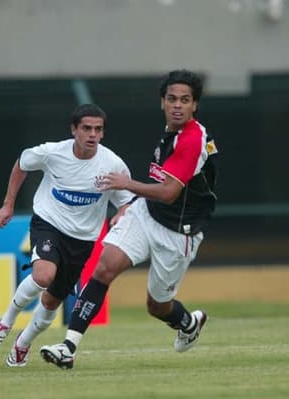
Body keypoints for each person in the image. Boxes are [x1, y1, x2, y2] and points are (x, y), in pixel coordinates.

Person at [40, 70, 219, 369]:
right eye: (172, 99)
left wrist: (126, 184)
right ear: (162, 102)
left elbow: (169, 192)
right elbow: (158, 195)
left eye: (185, 100)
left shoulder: (192, 140)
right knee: (103, 268)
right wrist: (132, 202)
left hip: (179, 233)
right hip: (146, 214)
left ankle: (188, 323)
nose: (177, 105)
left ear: (194, 106)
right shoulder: (171, 132)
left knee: (157, 306)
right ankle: (68, 347)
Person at [0, 103, 134, 367]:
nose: (92, 135)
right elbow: (22, 164)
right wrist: (8, 204)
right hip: (48, 224)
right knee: (43, 275)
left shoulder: (112, 164)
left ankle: (23, 344)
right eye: (86, 128)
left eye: (98, 129)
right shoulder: (52, 152)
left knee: (53, 300)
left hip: (83, 240)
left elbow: (127, 199)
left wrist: (122, 212)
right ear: (73, 129)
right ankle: (4, 322)